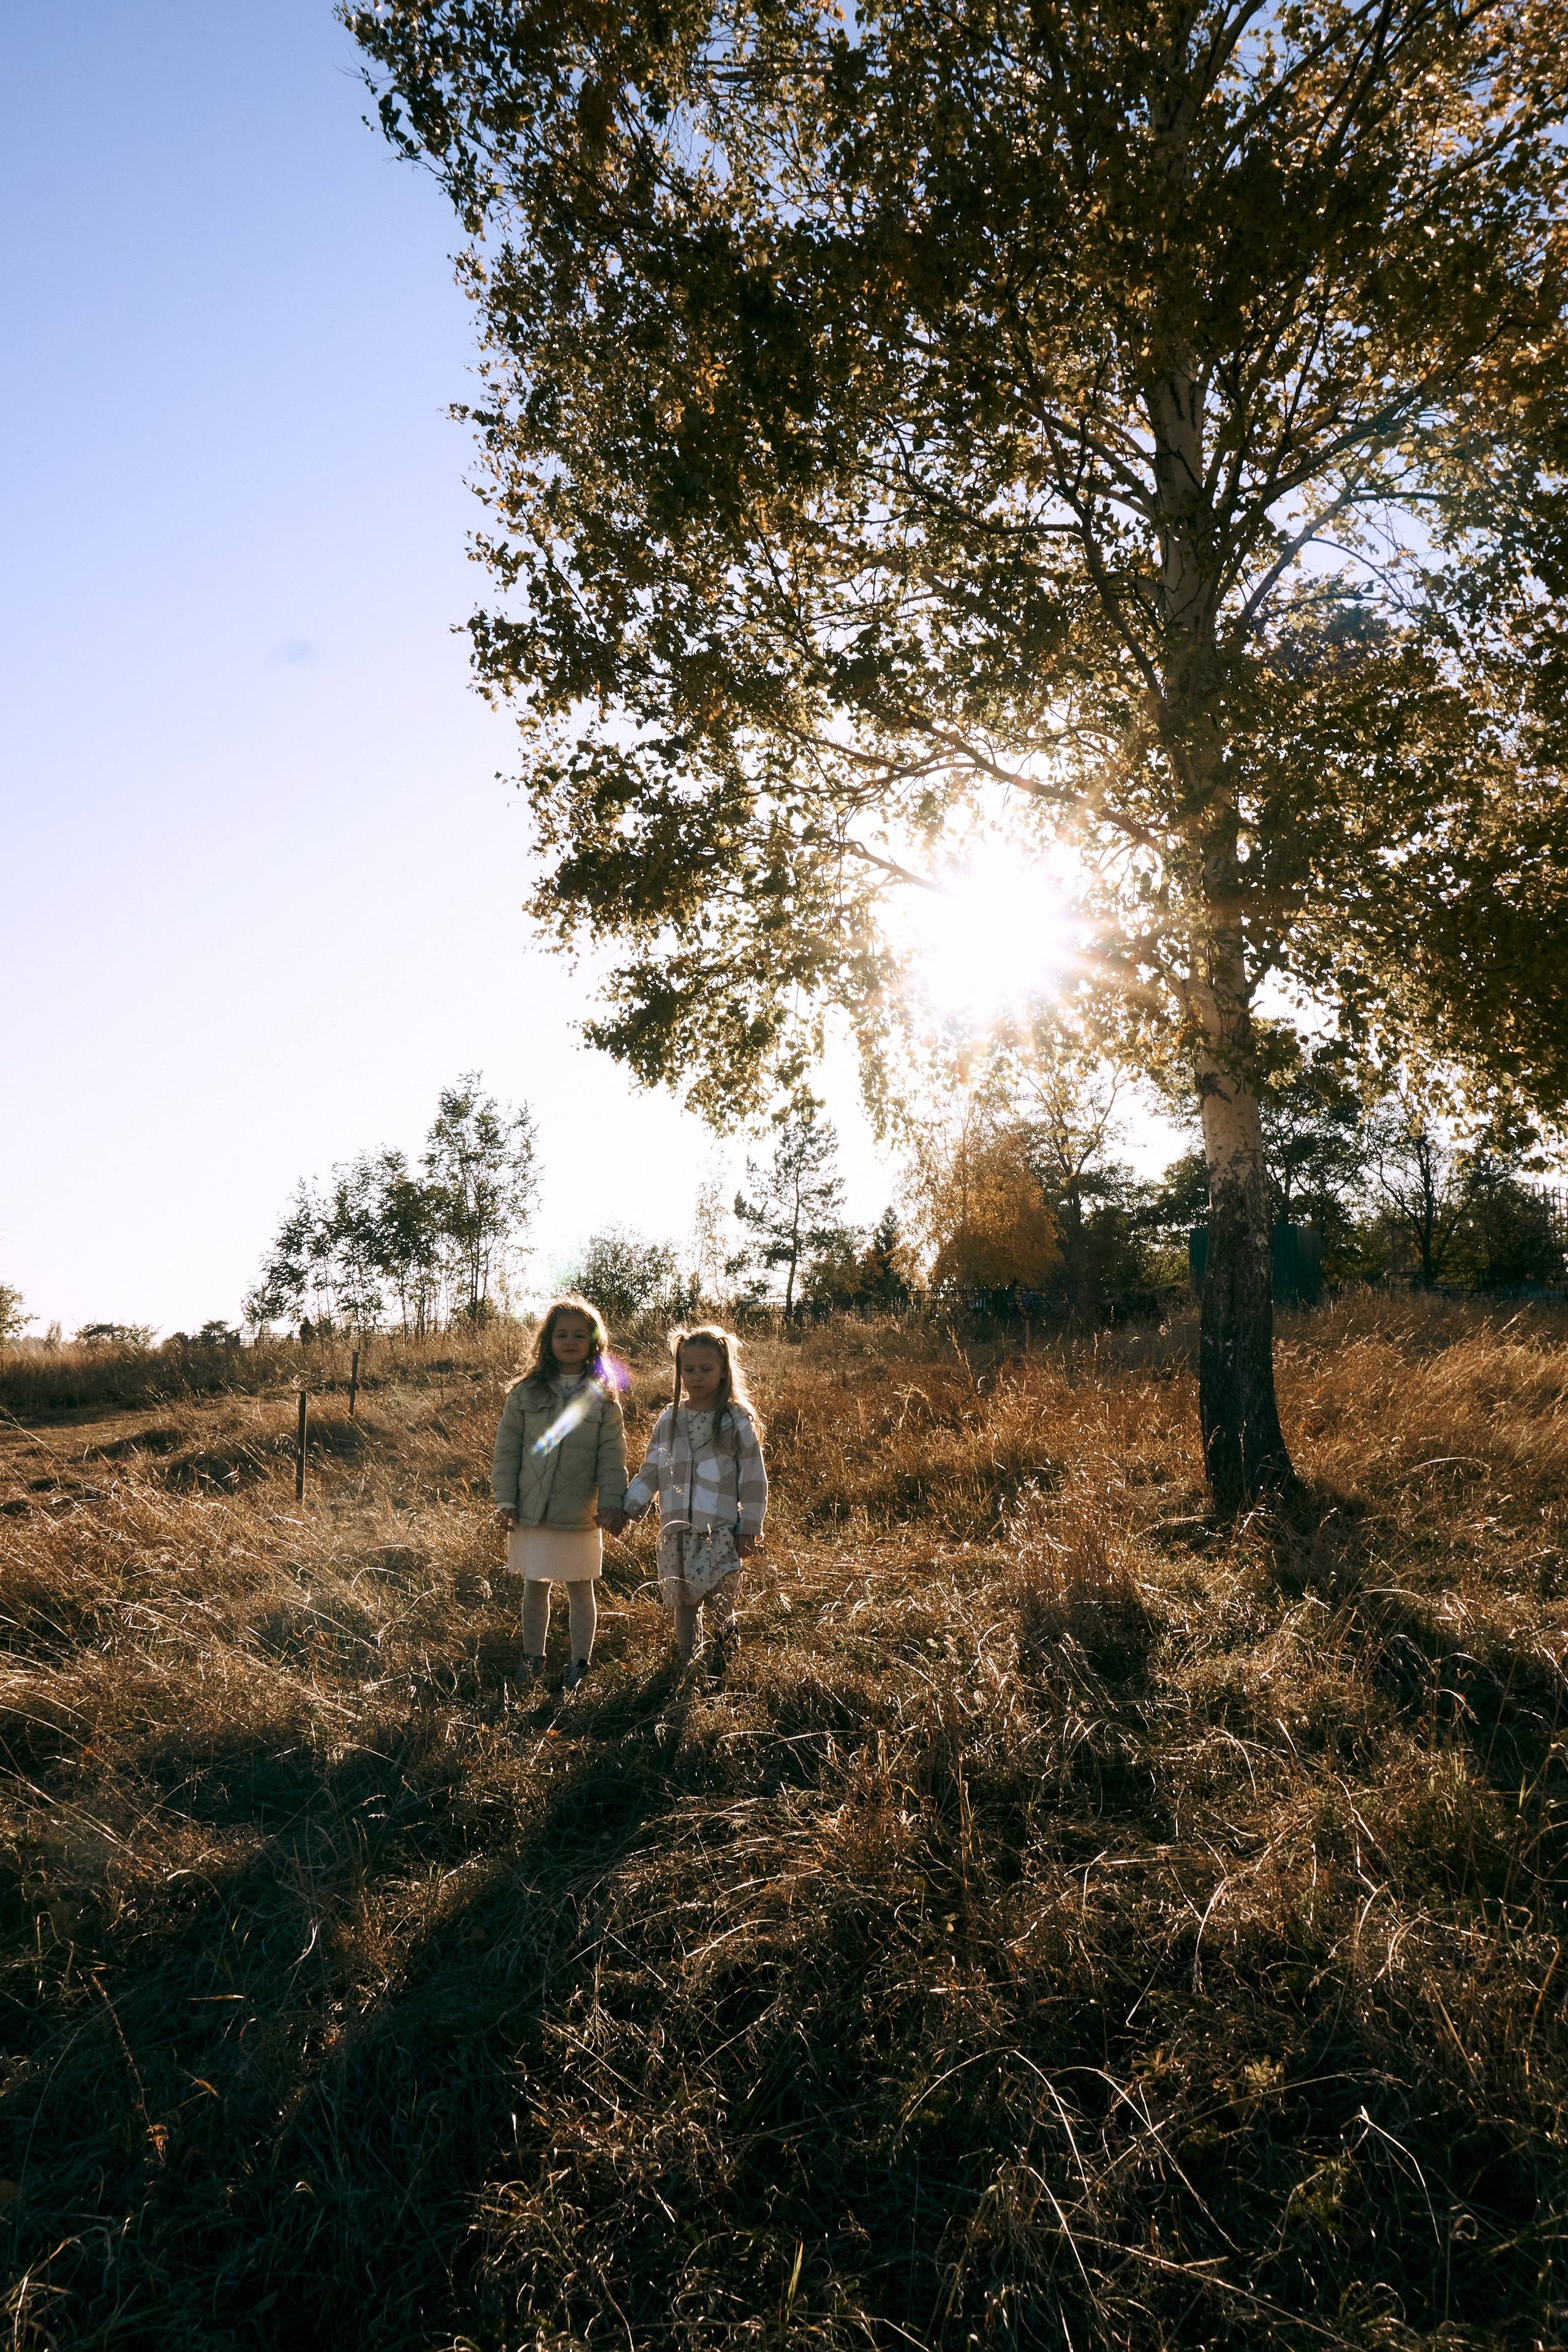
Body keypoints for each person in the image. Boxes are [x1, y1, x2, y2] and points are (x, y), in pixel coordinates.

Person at [604, 1325, 767, 1669]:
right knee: (685, 1601)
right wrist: (627, 1508)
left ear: (723, 1371)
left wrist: (749, 1526)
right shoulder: (670, 1419)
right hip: (677, 1530)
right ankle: (684, 1661)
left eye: (706, 1370)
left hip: (719, 1529)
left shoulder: (735, 1420)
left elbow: (753, 1477)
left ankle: (725, 1659)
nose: (696, 1377)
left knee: (722, 1599)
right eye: (688, 1369)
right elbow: (651, 1470)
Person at [491, 1295, 627, 1692]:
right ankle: (533, 1660)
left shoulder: (604, 1398)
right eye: (561, 1334)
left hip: (580, 1514)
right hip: (532, 1512)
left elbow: (611, 1458)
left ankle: (579, 1666)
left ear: (594, 1341)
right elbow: (507, 1450)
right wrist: (506, 1500)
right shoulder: (525, 1393)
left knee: (581, 1590)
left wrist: (612, 1505)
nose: (570, 1341)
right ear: (547, 1340)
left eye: (579, 1335)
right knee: (535, 1587)